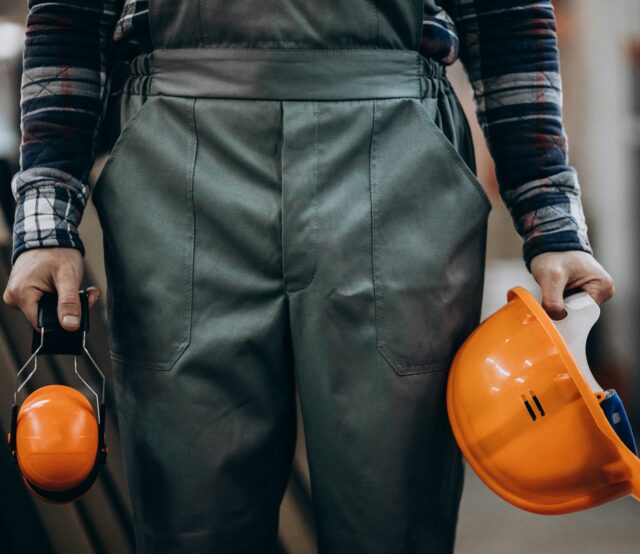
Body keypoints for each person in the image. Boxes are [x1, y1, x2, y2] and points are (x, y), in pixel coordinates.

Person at [3, 0, 615, 552]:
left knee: (394, 517)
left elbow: (508, 17)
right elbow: (70, 14)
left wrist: (551, 218)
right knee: (192, 519)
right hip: (178, 170)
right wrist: (47, 218)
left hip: (395, 162)